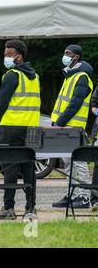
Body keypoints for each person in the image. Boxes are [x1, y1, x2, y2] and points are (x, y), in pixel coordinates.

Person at [0, 40, 41, 220]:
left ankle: (9, 208)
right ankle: (31, 208)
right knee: (29, 168)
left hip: (12, 127)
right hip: (32, 128)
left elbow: (2, 103)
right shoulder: (35, 76)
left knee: (10, 168)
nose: (5, 58)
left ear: (18, 56)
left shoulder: (12, 75)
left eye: (8, 55)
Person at [51, 44, 93, 209]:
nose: (65, 56)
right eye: (64, 52)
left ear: (76, 57)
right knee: (68, 162)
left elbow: (75, 103)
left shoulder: (82, 76)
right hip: (65, 126)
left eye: (68, 53)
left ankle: (83, 197)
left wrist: (60, 122)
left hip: (73, 126)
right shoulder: (70, 75)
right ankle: (73, 194)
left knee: (78, 162)